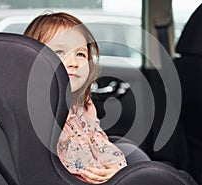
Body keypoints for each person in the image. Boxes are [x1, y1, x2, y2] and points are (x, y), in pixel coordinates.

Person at [24, 12, 128, 184]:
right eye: (59, 52)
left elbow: (99, 141)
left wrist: (116, 168)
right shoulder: (37, 109)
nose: (74, 62)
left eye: (80, 54)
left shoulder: (83, 105)